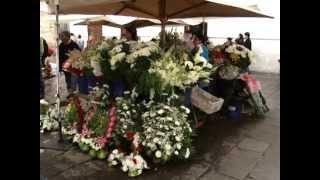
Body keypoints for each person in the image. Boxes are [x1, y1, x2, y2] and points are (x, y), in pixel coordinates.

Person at [59, 31, 81, 96]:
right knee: (67, 80)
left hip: (73, 68)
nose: (61, 38)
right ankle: (70, 93)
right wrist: (60, 68)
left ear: (68, 37)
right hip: (65, 68)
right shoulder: (61, 45)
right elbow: (59, 57)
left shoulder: (74, 45)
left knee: (74, 81)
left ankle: (74, 93)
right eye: (60, 36)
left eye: (62, 36)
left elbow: (78, 55)